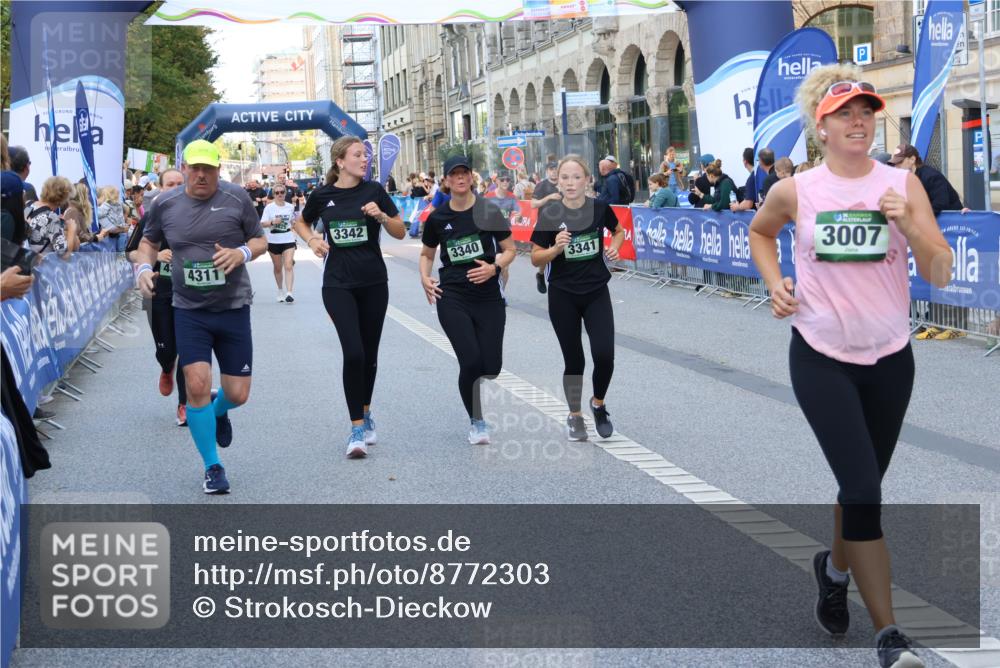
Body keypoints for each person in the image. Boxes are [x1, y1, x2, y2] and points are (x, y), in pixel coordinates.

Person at [748, 65, 952, 668]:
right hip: (820, 355)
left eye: (866, 111)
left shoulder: (902, 185)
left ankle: (834, 572)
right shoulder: (797, 191)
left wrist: (911, 223)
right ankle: (890, 637)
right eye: (845, 114)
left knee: (859, 488)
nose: (858, 121)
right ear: (823, 127)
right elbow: (761, 234)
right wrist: (773, 282)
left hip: (890, 357)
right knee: (863, 490)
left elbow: (940, 271)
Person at [134, 140, 267, 494]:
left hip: (233, 305)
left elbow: (259, 240)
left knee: (237, 394)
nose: (201, 174)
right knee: (194, 384)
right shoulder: (165, 203)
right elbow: (146, 243)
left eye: (208, 168)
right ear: (187, 167)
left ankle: (218, 409)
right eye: (195, 168)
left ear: (218, 169)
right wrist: (144, 268)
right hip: (189, 309)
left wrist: (241, 253)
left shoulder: (237, 197)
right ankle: (213, 466)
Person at [292, 136, 405, 459]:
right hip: (338, 284)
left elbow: (400, 230)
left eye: (365, 155)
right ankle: (356, 428)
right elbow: (300, 221)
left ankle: (366, 412)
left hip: (373, 282)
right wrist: (312, 238)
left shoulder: (374, 192)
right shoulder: (323, 194)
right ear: (340, 161)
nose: (364, 159)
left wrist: (382, 217)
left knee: (369, 354)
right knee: (353, 352)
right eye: (358, 155)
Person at [419, 155, 516, 444]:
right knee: (470, 361)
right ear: (447, 181)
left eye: (464, 173)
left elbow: (509, 249)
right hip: (453, 295)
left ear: (471, 177)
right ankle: (477, 421)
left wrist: (494, 267)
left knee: (491, 367)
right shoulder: (438, 217)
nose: (460, 178)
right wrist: (424, 277)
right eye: (454, 175)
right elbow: (426, 254)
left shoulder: (488, 211)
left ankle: (478, 391)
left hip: (487, 296)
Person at [531, 155, 625, 442]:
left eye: (576, 177)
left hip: (596, 290)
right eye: (565, 178)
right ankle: (574, 415)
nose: (570, 183)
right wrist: (555, 250)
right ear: (557, 182)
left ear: (587, 180)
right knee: (575, 361)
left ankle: (598, 404)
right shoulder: (550, 215)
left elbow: (618, 231)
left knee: (605, 356)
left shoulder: (599, 208)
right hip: (563, 295)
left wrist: (613, 248)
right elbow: (536, 257)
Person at [125, 169, 189, 427]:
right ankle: (165, 367)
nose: (175, 187)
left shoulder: (197, 215)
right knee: (167, 350)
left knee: (189, 350)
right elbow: (129, 252)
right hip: (157, 292)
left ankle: (185, 404)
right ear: (160, 188)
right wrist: (153, 257)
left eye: (179, 184)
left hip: (190, 294)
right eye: (170, 184)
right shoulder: (151, 217)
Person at [260, 183, 297, 303]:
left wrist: (294, 223)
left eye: (282, 192)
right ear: (273, 194)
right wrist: (272, 222)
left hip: (288, 239)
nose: (280, 194)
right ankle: (280, 290)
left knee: (288, 265)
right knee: (277, 268)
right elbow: (262, 223)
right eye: (277, 193)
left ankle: (289, 293)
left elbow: (293, 222)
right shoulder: (269, 208)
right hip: (274, 240)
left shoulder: (290, 207)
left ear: (285, 193)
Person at [530, 161, 562, 295]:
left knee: (561, 250)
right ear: (547, 171)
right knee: (545, 252)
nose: (554, 171)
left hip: (563, 223)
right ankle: (541, 274)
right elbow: (533, 204)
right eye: (551, 169)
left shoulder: (564, 184)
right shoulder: (541, 185)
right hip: (545, 223)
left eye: (556, 169)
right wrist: (549, 197)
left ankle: (561, 280)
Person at [26, 176, 77, 258]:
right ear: (63, 198)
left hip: (22, 262)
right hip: (40, 267)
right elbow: (64, 254)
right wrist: (71, 230)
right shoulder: (51, 217)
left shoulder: (28, 205)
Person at [731, 147, 759, 212]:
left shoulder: (751, 179)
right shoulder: (760, 174)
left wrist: (737, 207)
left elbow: (748, 204)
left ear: (745, 162)